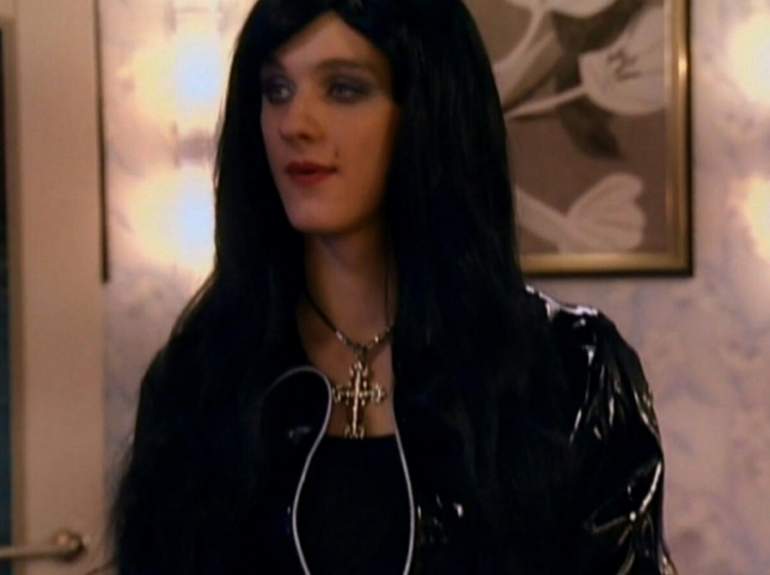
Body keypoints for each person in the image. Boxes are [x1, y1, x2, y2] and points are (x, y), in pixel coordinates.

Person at [111, 0, 677, 573]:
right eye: (276, 89)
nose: (294, 123)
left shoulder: (572, 372)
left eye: (343, 89)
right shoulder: (201, 377)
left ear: (428, 111)